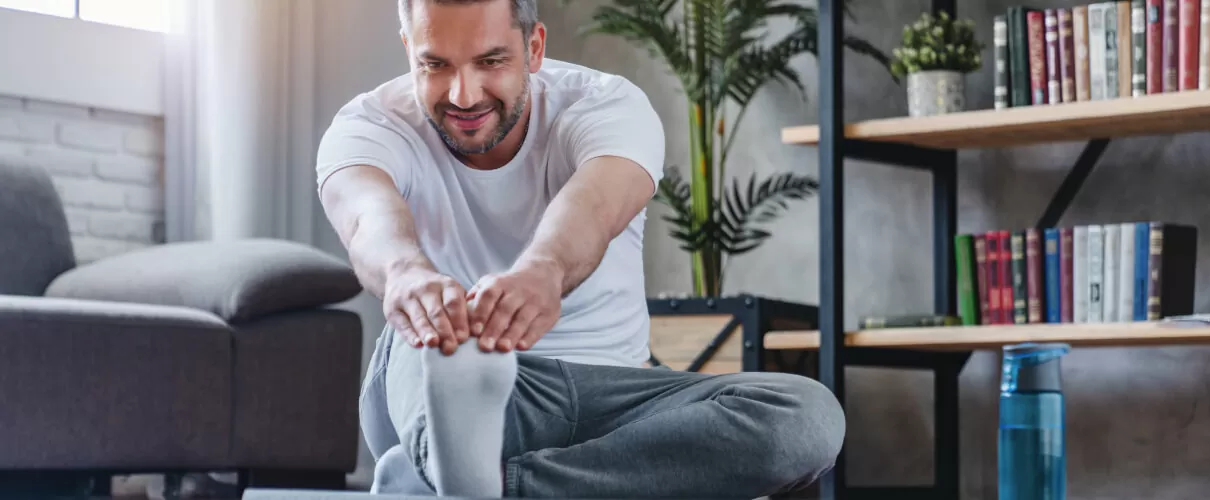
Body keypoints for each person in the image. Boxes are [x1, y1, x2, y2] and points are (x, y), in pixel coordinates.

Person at [315, 0, 846, 497]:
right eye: (435, 65)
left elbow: (594, 205)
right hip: (444, 367)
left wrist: (543, 272)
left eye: (491, 61)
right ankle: (454, 455)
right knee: (423, 337)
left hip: (610, 396)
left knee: (805, 417)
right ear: (408, 48)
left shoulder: (606, 105)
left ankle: (462, 483)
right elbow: (368, 217)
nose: (464, 95)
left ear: (534, 47)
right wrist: (406, 275)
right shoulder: (370, 124)